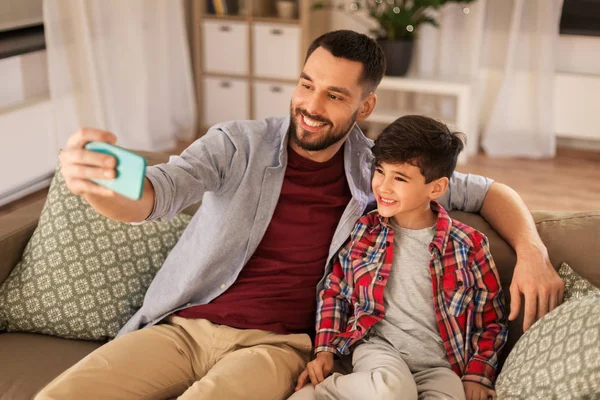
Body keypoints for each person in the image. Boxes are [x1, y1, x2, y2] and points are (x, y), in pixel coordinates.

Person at [37, 30, 561, 400]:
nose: (311, 105)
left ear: (365, 107)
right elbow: (157, 193)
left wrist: (533, 251)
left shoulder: (380, 173)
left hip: (277, 347)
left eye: (335, 95)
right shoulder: (237, 144)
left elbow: (488, 191)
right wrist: (102, 183)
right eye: (306, 84)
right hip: (182, 330)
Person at [290, 115, 507, 400]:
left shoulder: (470, 246)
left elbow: (491, 320)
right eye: (380, 171)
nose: (383, 186)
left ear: (437, 188)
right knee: (391, 391)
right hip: (380, 350)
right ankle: (319, 393)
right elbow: (336, 292)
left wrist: (478, 375)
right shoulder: (364, 232)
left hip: (441, 366)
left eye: (400, 178)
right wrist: (325, 349)